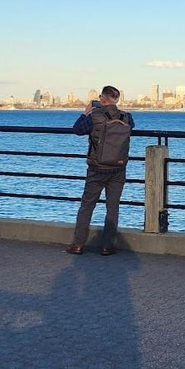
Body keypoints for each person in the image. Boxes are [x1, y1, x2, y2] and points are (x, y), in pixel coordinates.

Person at [67, 85, 135, 256]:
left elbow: (77, 130)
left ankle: (78, 245)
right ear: (117, 100)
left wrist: (86, 112)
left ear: (102, 99)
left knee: (87, 205)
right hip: (118, 168)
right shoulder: (127, 117)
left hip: (97, 168)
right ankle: (107, 246)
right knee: (113, 207)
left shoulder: (94, 116)